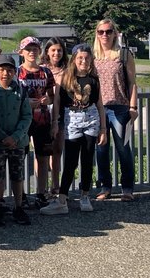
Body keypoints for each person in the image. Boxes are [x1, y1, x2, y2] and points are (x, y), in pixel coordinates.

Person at [42, 44, 108, 215]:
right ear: (74, 59)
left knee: (87, 159)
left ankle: (85, 195)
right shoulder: (66, 78)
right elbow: (57, 102)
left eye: (86, 58)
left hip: (90, 119)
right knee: (70, 161)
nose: (83, 61)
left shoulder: (94, 79)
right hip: (72, 119)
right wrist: (55, 123)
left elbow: (99, 105)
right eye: (80, 58)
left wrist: (103, 129)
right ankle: (62, 199)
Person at [93, 19, 138, 202]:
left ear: (115, 33)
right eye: (101, 32)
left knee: (123, 148)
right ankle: (105, 187)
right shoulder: (93, 55)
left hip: (120, 107)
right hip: (98, 108)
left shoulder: (124, 55)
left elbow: (132, 82)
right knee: (101, 149)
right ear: (96, 34)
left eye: (109, 31)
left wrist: (133, 106)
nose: (105, 35)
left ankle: (127, 188)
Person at [0, 54, 32, 226]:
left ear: (15, 72)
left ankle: (18, 207)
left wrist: (16, 136)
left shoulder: (21, 90)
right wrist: (3, 136)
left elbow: (27, 116)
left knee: (17, 175)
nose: (6, 73)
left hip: (18, 142)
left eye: (10, 70)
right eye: (2, 69)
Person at [17, 36, 56, 207]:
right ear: (22, 52)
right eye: (28, 50)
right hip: (22, 121)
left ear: (40, 51)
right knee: (20, 157)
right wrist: (25, 103)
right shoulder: (17, 72)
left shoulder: (46, 72)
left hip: (42, 120)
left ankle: (41, 192)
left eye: (35, 49)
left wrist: (48, 100)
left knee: (42, 157)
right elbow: (11, 97)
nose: (32, 52)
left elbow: (52, 96)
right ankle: (21, 194)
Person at [41, 37, 69, 196]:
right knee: (42, 152)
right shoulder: (41, 69)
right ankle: (41, 187)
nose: (56, 53)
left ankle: (55, 184)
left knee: (57, 150)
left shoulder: (67, 70)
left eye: (59, 50)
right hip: (42, 114)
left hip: (61, 113)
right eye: (53, 50)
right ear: (47, 52)